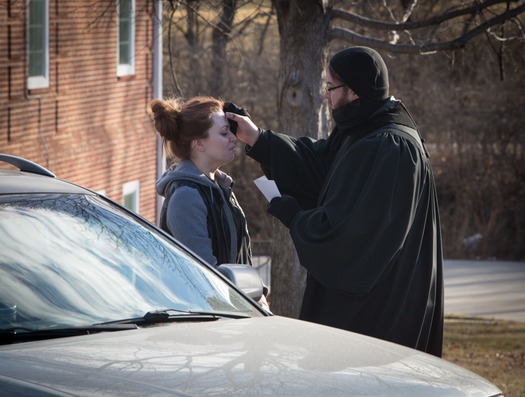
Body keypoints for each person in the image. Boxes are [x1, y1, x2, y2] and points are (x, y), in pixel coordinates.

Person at [226, 46, 444, 357]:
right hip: (368, 300)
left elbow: (358, 235)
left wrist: (296, 218)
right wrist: (258, 139)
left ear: (355, 91)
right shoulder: (363, 128)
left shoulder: (391, 148)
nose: (327, 96)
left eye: (331, 88)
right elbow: (321, 165)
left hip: (380, 309)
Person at [148, 96, 252, 267]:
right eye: (224, 132)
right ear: (199, 143)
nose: (233, 137)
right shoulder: (186, 197)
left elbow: (239, 256)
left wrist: (258, 290)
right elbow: (207, 275)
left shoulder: (220, 186)